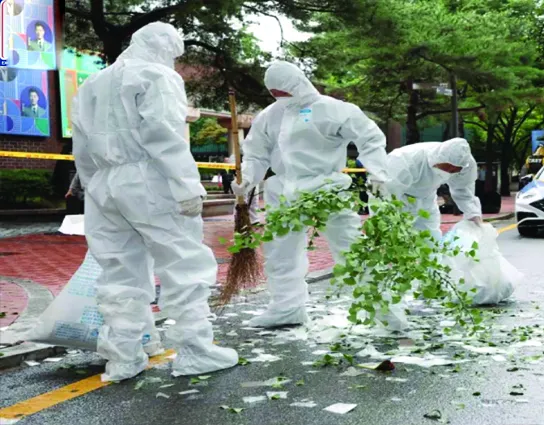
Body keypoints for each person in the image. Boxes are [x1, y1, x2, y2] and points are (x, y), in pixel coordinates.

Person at [71, 22, 238, 382]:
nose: (175, 62)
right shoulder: (156, 75)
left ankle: (123, 358)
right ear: (162, 45)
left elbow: (81, 146)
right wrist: (186, 184)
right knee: (183, 261)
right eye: (174, 53)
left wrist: (93, 187)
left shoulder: (91, 84)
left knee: (119, 271)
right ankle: (195, 351)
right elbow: (163, 133)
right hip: (149, 179)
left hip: (104, 183)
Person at [232, 60, 397, 329]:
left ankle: (381, 308)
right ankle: (286, 308)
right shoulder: (270, 115)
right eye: (274, 93)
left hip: (328, 189)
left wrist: (378, 171)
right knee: (280, 253)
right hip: (284, 191)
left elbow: (370, 137)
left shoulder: (333, 109)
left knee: (351, 248)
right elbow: (256, 153)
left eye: (283, 92)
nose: (279, 98)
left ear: (297, 83)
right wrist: (247, 178)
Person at [386, 138, 482, 241]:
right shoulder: (404, 160)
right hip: (399, 199)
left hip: (427, 199)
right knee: (394, 241)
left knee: (431, 242)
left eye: (454, 170)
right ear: (438, 160)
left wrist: (473, 215)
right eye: (447, 167)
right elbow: (386, 195)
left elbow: (464, 190)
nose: (450, 172)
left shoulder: (465, 163)